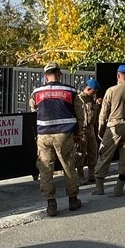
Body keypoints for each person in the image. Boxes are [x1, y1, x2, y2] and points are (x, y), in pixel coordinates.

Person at [29, 63, 85, 216]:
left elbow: (32, 106)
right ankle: (73, 200)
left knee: (46, 169)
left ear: (45, 76)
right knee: (68, 166)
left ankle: (51, 204)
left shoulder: (37, 92)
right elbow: (80, 113)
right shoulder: (70, 91)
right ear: (60, 74)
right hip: (64, 135)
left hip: (43, 135)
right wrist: (79, 132)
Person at [95, 64, 125, 197]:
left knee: (104, 155)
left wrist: (101, 127)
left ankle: (99, 187)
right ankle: (119, 188)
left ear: (118, 75)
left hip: (114, 126)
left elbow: (104, 112)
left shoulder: (111, 91)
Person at [77, 79, 102, 184]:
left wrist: (98, 105)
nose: (95, 93)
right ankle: (80, 175)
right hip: (81, 130)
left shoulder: (92, 99)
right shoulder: (78, 99)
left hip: (91, 129)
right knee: (81, 153)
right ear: (88, 88)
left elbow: (96, 115)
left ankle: (92, 174)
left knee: (93, 152)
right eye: (94, 91)